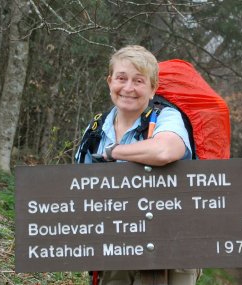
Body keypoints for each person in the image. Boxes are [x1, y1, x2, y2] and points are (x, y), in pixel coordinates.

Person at [75, 45, 199, 285]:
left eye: (139, 81)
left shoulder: (166, 117)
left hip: (172, 246)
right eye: (121, 78)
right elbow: (82, 190)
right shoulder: (96, 129)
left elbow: (165, 150)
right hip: (116, 245)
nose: (128, 88)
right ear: (110, 82)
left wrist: (113, 153)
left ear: (153, 88)